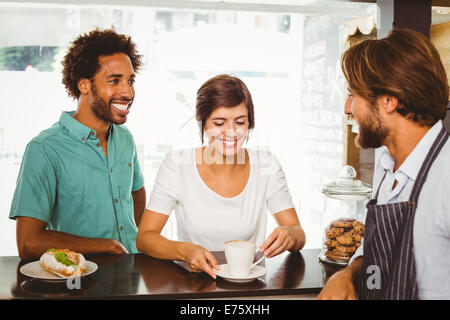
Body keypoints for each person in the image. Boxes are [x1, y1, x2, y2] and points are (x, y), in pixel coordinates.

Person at [318, 28, 450, 300]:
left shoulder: (446, 176)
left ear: (389, 101)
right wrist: (347, 274)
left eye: (353, 95)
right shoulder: (387, 164)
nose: (346, 108)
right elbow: (375, 247)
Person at [137, 74, 306, 279]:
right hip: (195, 285)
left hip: (249, 286)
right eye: (219, 123)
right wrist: (186, 251)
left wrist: (290, 235)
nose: (231, 132)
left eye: (240, 122)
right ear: (203, 123)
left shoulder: (266, 164)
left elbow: (298, 233)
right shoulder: (177, 165)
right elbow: (145, 238)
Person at [9, 28, 146, 259]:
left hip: (132, 276)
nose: (128, 91)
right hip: (78, 282)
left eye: (130, 80)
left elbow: (136, 193)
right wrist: (106, 245)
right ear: (84, 85)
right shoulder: (44, 149)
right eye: (114, 81)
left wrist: (139, 241)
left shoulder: (125, 138)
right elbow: (28, 242)